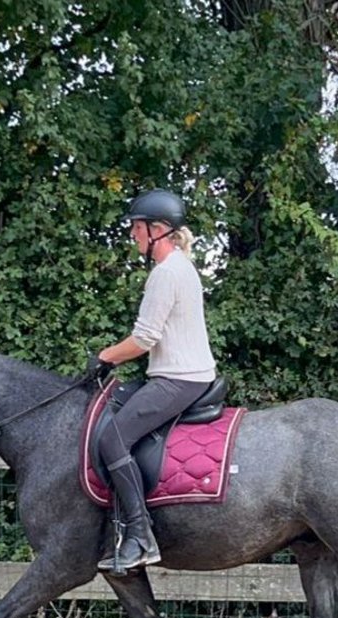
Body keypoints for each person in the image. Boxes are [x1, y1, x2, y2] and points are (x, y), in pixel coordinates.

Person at [89, 188, 218, 572]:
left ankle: (141, 536)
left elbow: (144, 338)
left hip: (179, 379)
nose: (133, 235)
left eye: (137, 227)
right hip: (181, 374)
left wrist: (103, 357)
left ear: (157, 230)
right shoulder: (181, 267)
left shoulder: (166, 273)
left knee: (112, 438)